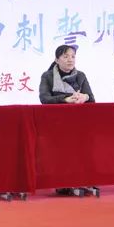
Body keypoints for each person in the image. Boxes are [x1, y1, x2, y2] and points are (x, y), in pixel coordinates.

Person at [39, 45, 96, 197]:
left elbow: (91, 98)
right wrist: (65, 99)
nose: (70, 59)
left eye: (72, 56)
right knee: (61, 154)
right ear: (57, 60)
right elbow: (44, 98)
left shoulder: (81, 75)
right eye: (65, 56)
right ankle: (62, 183)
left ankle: (82, 180)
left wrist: (84, 97)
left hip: (79, 123)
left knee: (82, 152)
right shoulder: (48, 76)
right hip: (57, 124)